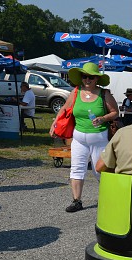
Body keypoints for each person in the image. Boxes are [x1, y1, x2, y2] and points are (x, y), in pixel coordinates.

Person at [49, 62, 119, 212]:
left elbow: (115, 112)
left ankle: (110, 199)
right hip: (79, 138)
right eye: (85, 77)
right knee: (76, 169)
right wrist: (55, 123)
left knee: (99, 170)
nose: (88, 80)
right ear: (81, 78)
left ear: (97, 79)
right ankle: (76, 201)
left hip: (99, 139)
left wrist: (103, 118)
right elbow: (64, 108)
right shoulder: (75, 92)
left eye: (91, 77)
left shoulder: (104, 94)